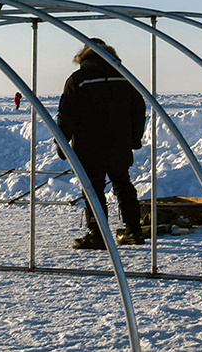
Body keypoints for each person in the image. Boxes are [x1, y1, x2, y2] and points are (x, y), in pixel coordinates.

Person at [56, 38, 147, 249]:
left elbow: (67, 114)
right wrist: (135, 138)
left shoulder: (78, 80)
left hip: (89, 145)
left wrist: (62, 142)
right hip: (119, 143)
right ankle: (133, 230)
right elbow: (138, 110)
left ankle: (98, 233)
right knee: (123, 184)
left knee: (93, 188)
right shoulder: (125, 78)